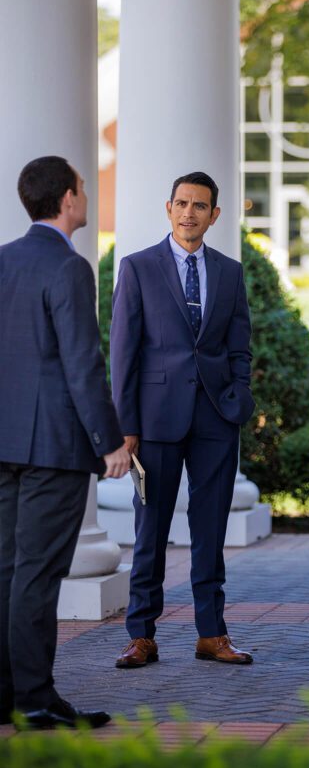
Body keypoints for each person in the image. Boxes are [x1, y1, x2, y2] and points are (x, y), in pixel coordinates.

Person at [0, 156, 130, 729]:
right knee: (37, 573)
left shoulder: (2, 260)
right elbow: (84, 363)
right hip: (52, 446)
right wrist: (110, 442)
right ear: (69, 199)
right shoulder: (70, 267)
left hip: (3, 441)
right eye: (82, 188)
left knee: (6, 569)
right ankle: (33, 699)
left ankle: (10, 693)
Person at [111, 171, 255, 669]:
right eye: (181, 203)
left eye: (200, 206)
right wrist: (126, 427)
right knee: (150, 527)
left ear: (215, 215)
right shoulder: (138, 267)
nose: (189, 212)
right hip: (154, 423)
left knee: (210, 528)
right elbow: (123, 354)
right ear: (168, 208)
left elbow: (241, 346)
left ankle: (211, 634)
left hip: (217, 418)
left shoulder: (231, 272)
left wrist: (241, 398)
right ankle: (141, 635)